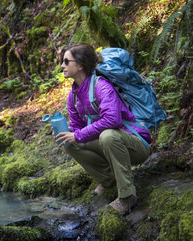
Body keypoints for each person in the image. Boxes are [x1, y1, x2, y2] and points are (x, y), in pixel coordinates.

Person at [55, 43, 151, 215]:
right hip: (110, 143)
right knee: (69, 143)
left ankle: (127, 195)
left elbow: (113, 120)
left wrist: (79, 135)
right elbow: (76, 128)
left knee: (107, 135)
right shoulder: (73, 96)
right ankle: (110, 181)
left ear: (80, 65)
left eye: (66, 61)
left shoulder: (101, 86)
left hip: (135, 144)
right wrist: (70, 134)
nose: (62, 65)